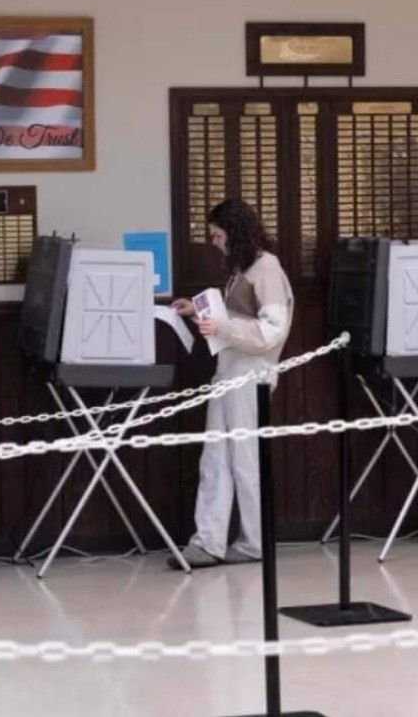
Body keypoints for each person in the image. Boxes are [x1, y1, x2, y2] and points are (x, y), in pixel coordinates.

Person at [168, 199, 294, 569]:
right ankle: (209, 541)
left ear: (235, 233)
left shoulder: (266, 268)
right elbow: (242, 317)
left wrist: (221, 327)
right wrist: (198, 311)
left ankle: (253, 541)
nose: (214, 242)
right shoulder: (246, 267)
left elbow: (272, 330)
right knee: (217, 456)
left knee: (243, 459)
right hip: (232, 369)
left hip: (250, 372)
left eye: (217, 235)